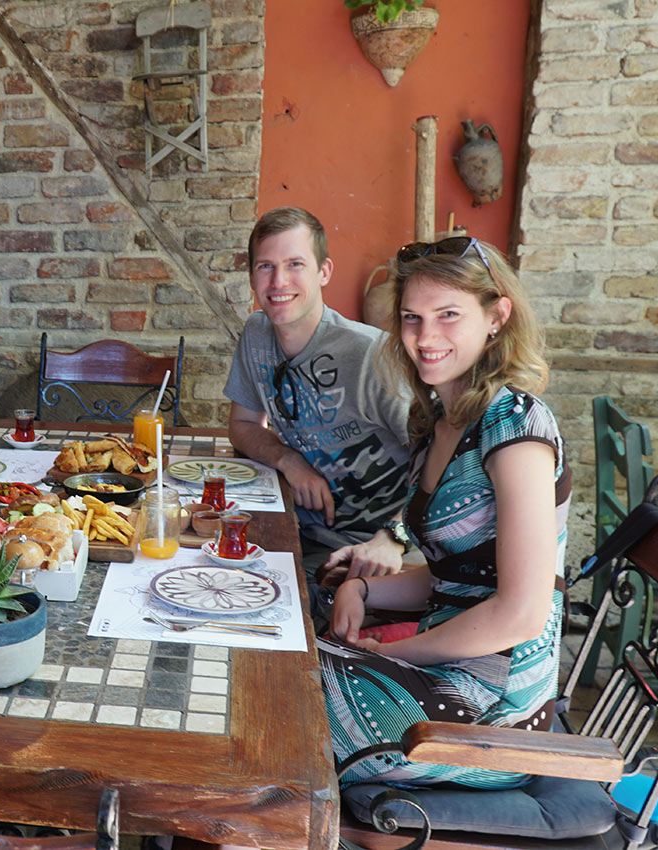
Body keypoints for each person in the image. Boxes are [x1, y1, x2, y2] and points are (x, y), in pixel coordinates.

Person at [320, 236, 569, 787]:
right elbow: (455, 575)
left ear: (496, 317)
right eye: (412, 318)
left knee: (289, 684)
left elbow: (522, 614)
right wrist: (361, 588)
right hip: (445, 673)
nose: (425, 337)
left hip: (492, 713)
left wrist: (399, 652)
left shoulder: (517, 427)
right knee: (285, 638)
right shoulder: (440, 421)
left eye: (448, 315)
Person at [225, 207, 412, 583]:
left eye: (295, 264)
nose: (278, 281)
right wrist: (289, 460)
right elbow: (242, 424)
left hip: (377, 547)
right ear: (251, 277)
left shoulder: (371, 354)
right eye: (265, 266)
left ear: (324, 271)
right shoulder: (257, 335)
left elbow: (446, 463)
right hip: (300, 528)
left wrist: (395, 536)